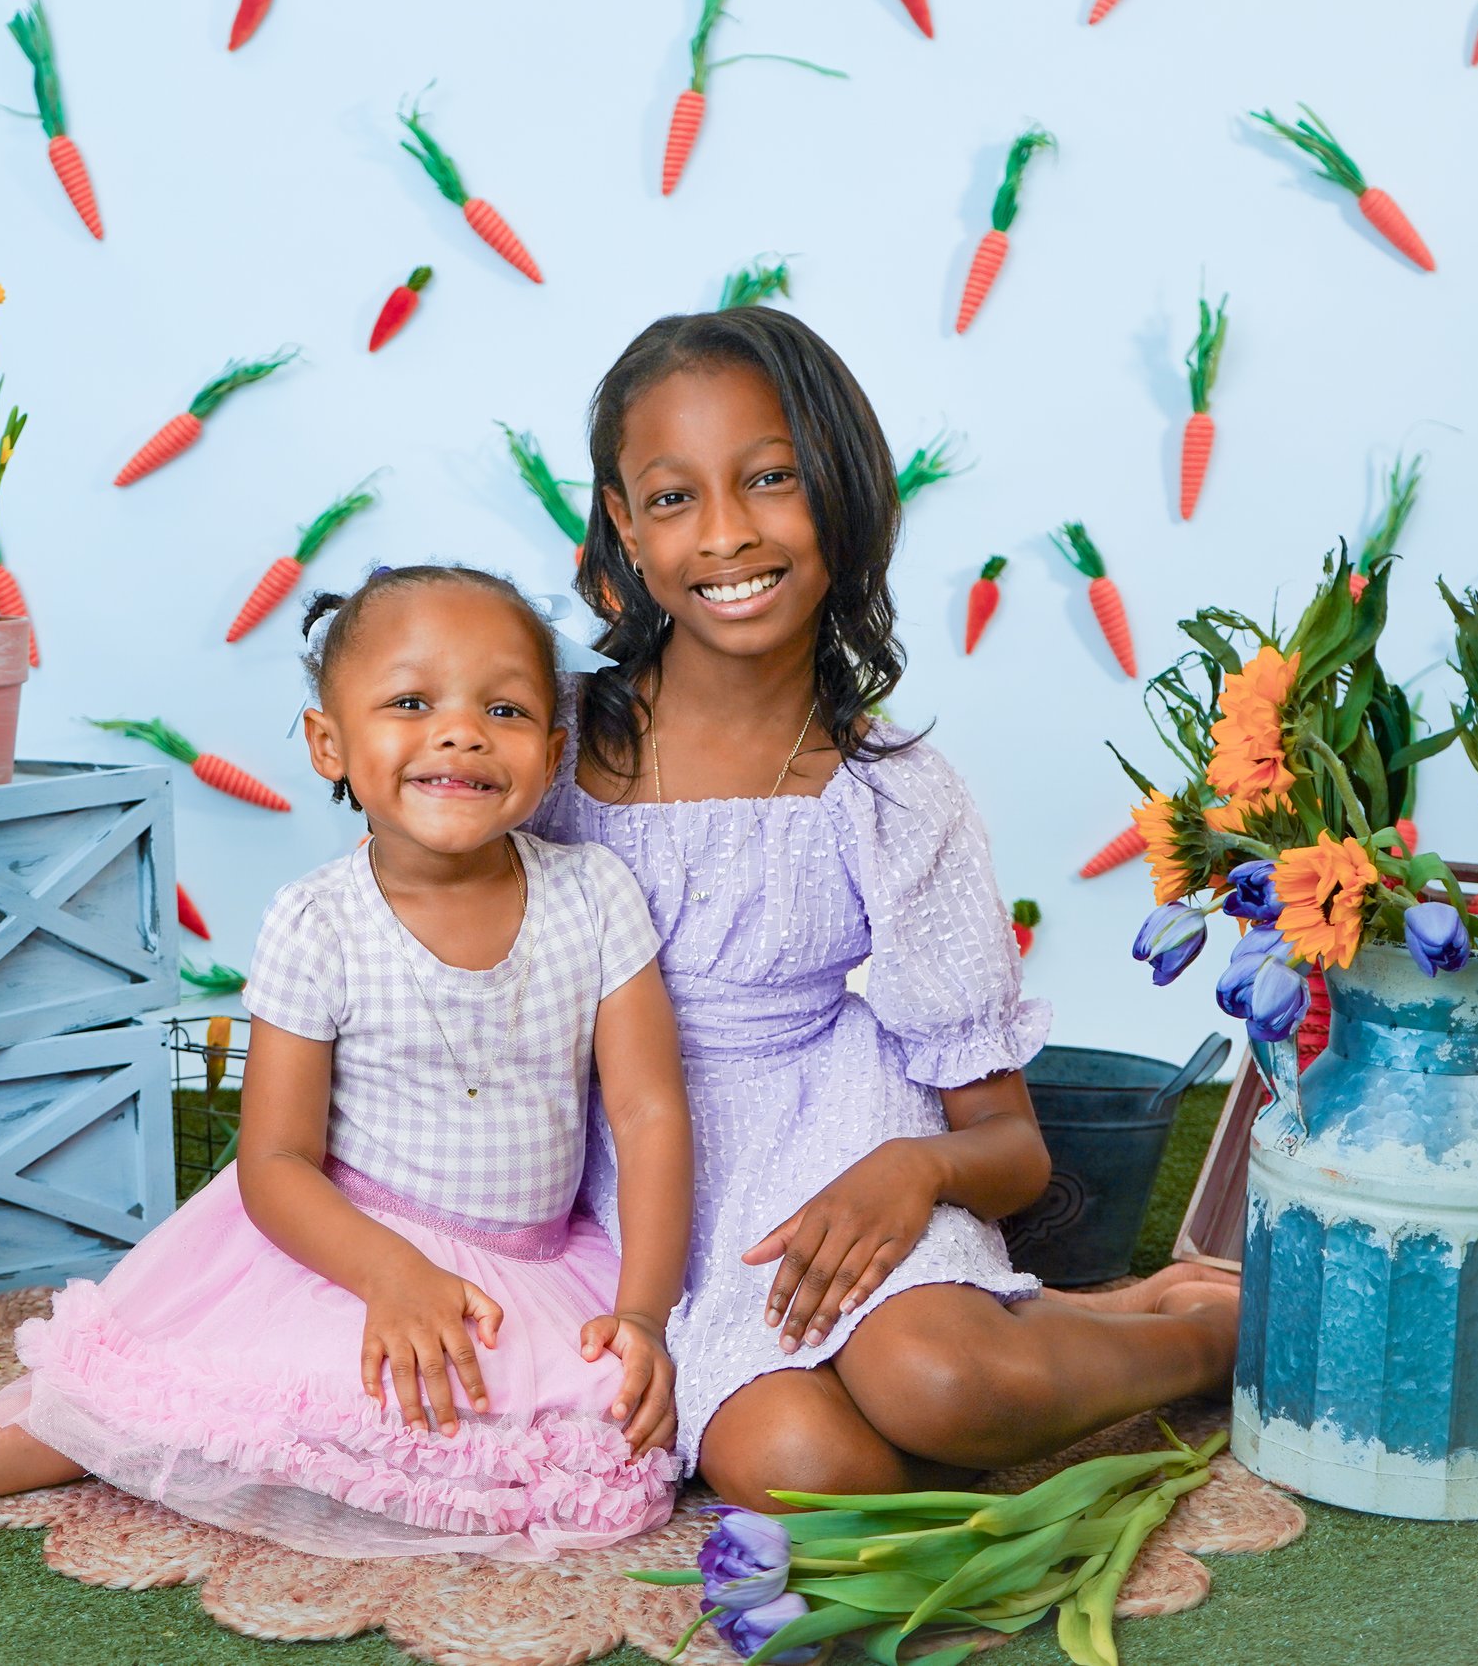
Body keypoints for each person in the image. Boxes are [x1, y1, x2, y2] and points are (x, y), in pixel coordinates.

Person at [527, 306, 1240, 1510]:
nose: (727, 533)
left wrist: (909, 1170)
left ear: (845, 496)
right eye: (672, 497)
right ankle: (1066, 1312)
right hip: (640, 1200)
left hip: (838, 1141)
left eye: (770, 478)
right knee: (798, 1463)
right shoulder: (532, 741)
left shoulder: (891, 796)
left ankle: (1200, 1338)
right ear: (621, 530)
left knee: (939, 1384)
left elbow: (1012, 1150)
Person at [0, 565, 694, 1561]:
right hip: (343, 1242)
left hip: (534, 1257)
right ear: (329, 740)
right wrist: (390, 1275)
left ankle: (169, 1436)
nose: (459, 731)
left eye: (502, 706)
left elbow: (648, 1110)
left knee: (603, 1431)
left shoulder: (593, 893)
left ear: (550, 750)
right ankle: (80, 1430)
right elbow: (274, 1161)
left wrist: (641, 1311)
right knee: (270, 1381)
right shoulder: (318, 919)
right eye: (411, 702)